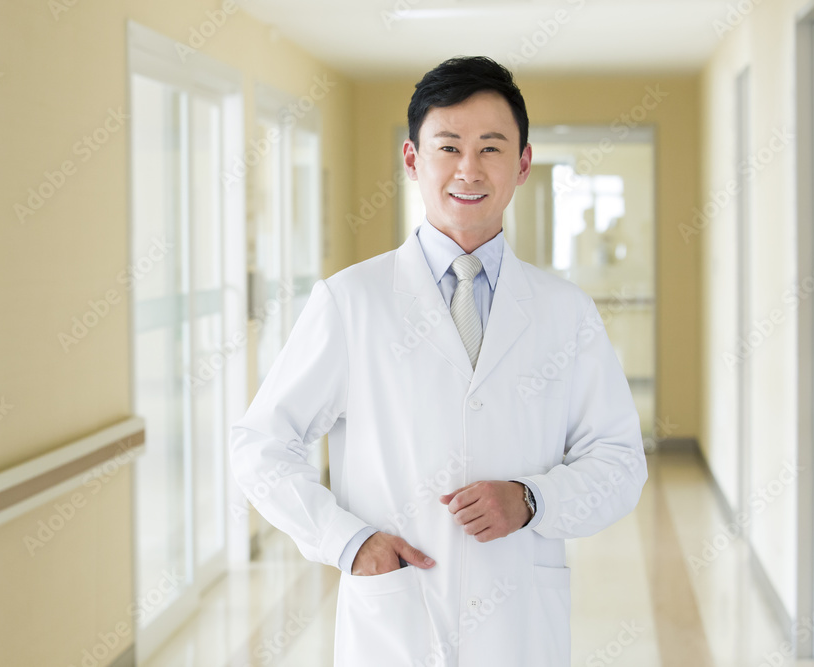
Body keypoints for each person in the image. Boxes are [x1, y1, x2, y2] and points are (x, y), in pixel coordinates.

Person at [230, 55, 647, 667]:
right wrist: (350, 542)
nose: (468, 169)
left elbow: (619, 462)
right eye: (448, 147)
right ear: (412, 159)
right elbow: (260, 445)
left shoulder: (566, 312)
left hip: (520, 623)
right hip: (396, 619)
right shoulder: (351, 301)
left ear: (524, 163)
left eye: (492, 148)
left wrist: (533, 499)